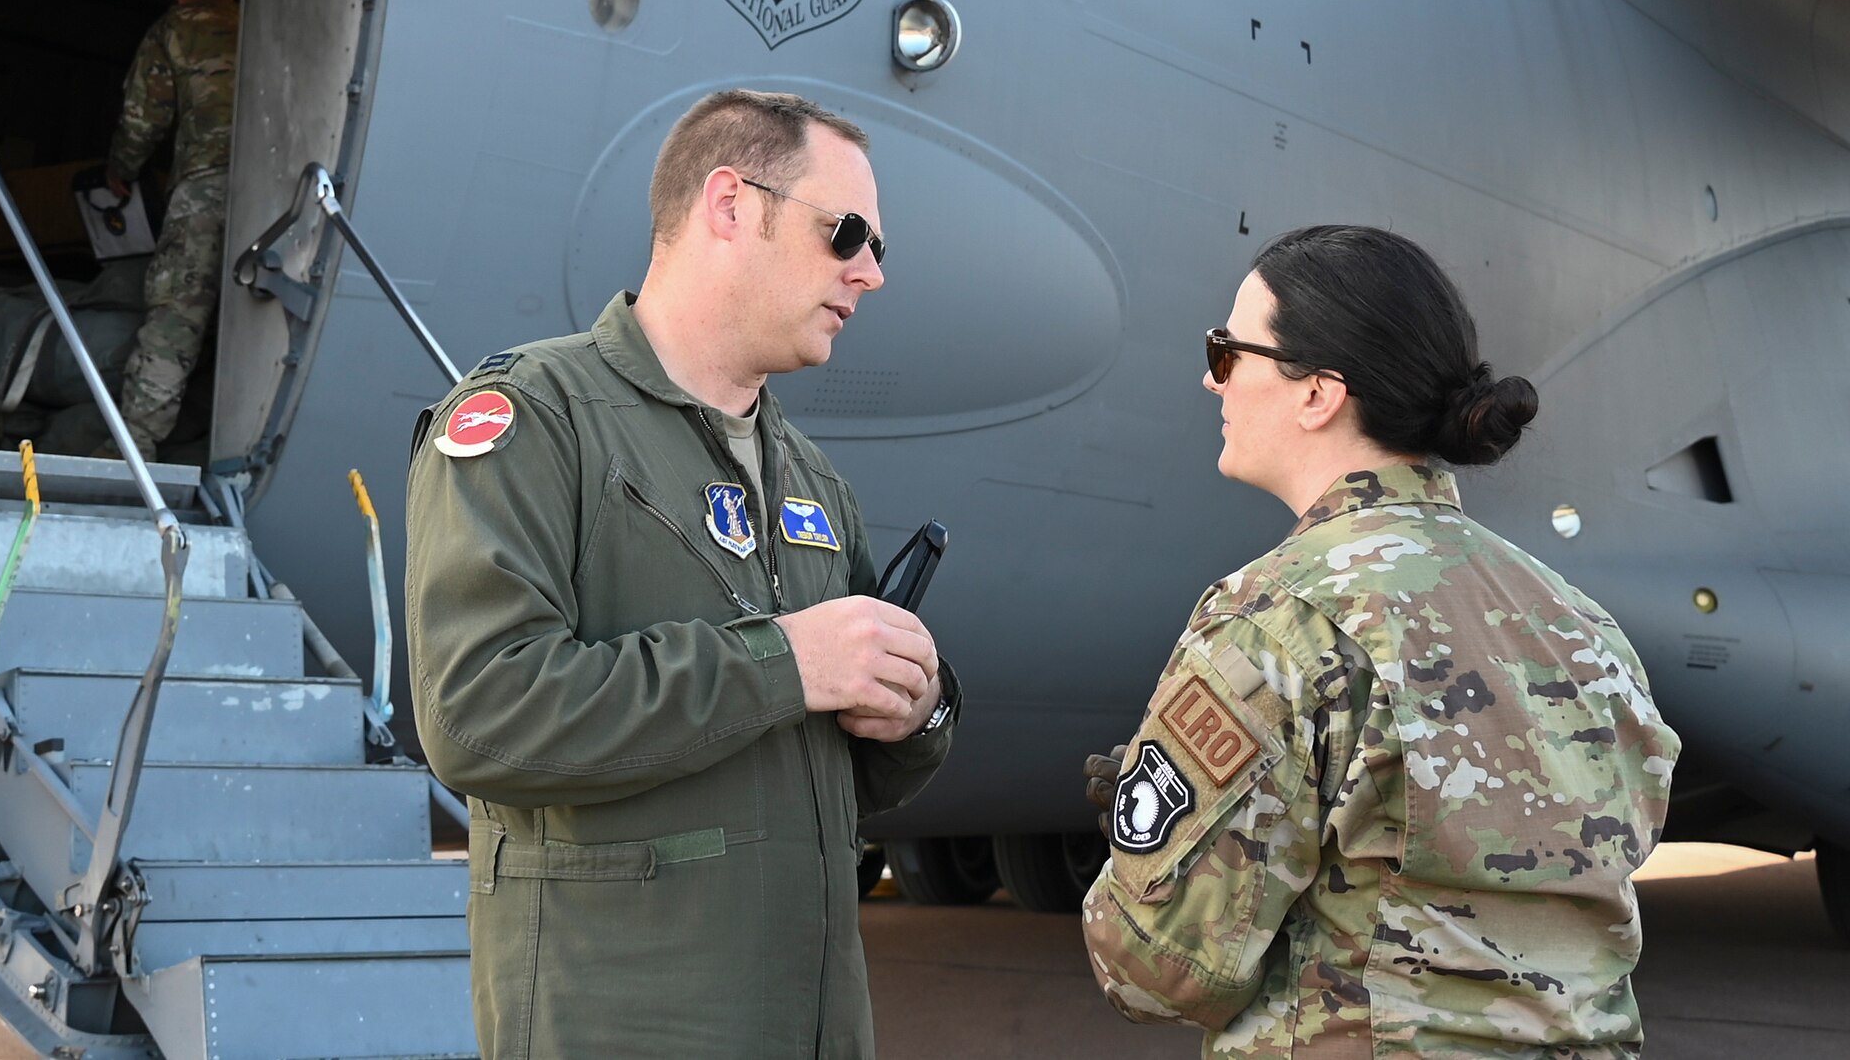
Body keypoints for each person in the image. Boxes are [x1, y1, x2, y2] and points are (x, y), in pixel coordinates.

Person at [405, 89, 960, 1059]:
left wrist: (913, 712)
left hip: (810, 1021)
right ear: (728, 205)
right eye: (846, 234)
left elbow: (835, 768)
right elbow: (475, 713)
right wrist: (783, 663)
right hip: (620, 1022)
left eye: (877, 247)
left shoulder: (812, 480)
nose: (868, 273)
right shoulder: (532, 421)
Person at [1082, 225, 1679, 1057]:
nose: (1209, 378)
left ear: (1318, 392)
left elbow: (1157, 965)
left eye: (1226, 353)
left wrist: (1141, 844)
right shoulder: (1579, 623)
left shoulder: (1278, 619)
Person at [100, 0, 238, 458]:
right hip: (280, 186)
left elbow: (144, 114)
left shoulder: (176, 27)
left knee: (177, 312)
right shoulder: (258, 20)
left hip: (206, 182)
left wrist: (121, 168)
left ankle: (134, 448)